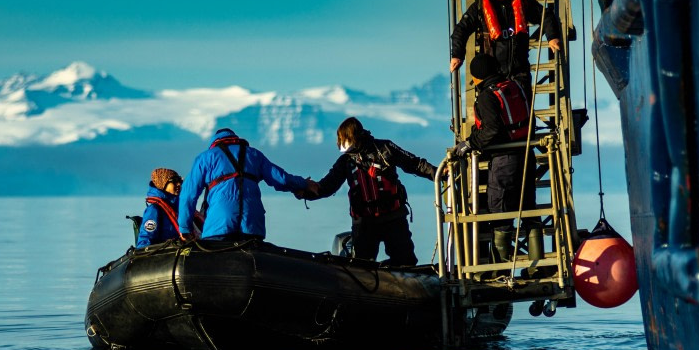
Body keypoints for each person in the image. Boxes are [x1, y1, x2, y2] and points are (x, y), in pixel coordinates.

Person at [305, 117, 438, 266]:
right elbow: (328, 185)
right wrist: (306, 192)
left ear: (355, 136)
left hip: (393, 216)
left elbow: (414, 164)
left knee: (406, 260)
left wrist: (439, 173)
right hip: (364, 222)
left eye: (344, 139)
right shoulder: (345, 161)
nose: (342, 145)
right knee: (362, 265)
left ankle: (395, 274)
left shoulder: (385, 148)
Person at [454, 54, 542, 268]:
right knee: (528, 207)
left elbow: (492, 129)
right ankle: (538, 266)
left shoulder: (486, 96)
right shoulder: (515, 86)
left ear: (478, 76)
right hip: (526, 155)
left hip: (505, 161)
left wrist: (470, 143)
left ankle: (500, 269)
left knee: (499, 211)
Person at [178, 128, 318, 241]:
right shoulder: (255, 155)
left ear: (214, 142)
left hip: (218, 226)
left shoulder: (206, 158)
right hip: (252, 225)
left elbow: (188, 195)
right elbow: (282, 179)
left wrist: (184, 228)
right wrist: (304, 184)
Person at [450, 0, 562, 97]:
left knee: (522, 110)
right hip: (493, 73)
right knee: (495, 110)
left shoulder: (523, 1)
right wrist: (457, 55)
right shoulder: (479, 7)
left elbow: (545, 16)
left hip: (519, 69)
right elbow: (461, 30)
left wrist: (552, 37)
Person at [136, 168, 184, 248]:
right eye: (174, 181)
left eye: (180, 181)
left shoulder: (180, 208)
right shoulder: (154, 210)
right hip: (164, 254)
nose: (178, 184)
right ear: (163, 183)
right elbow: (144, 241)